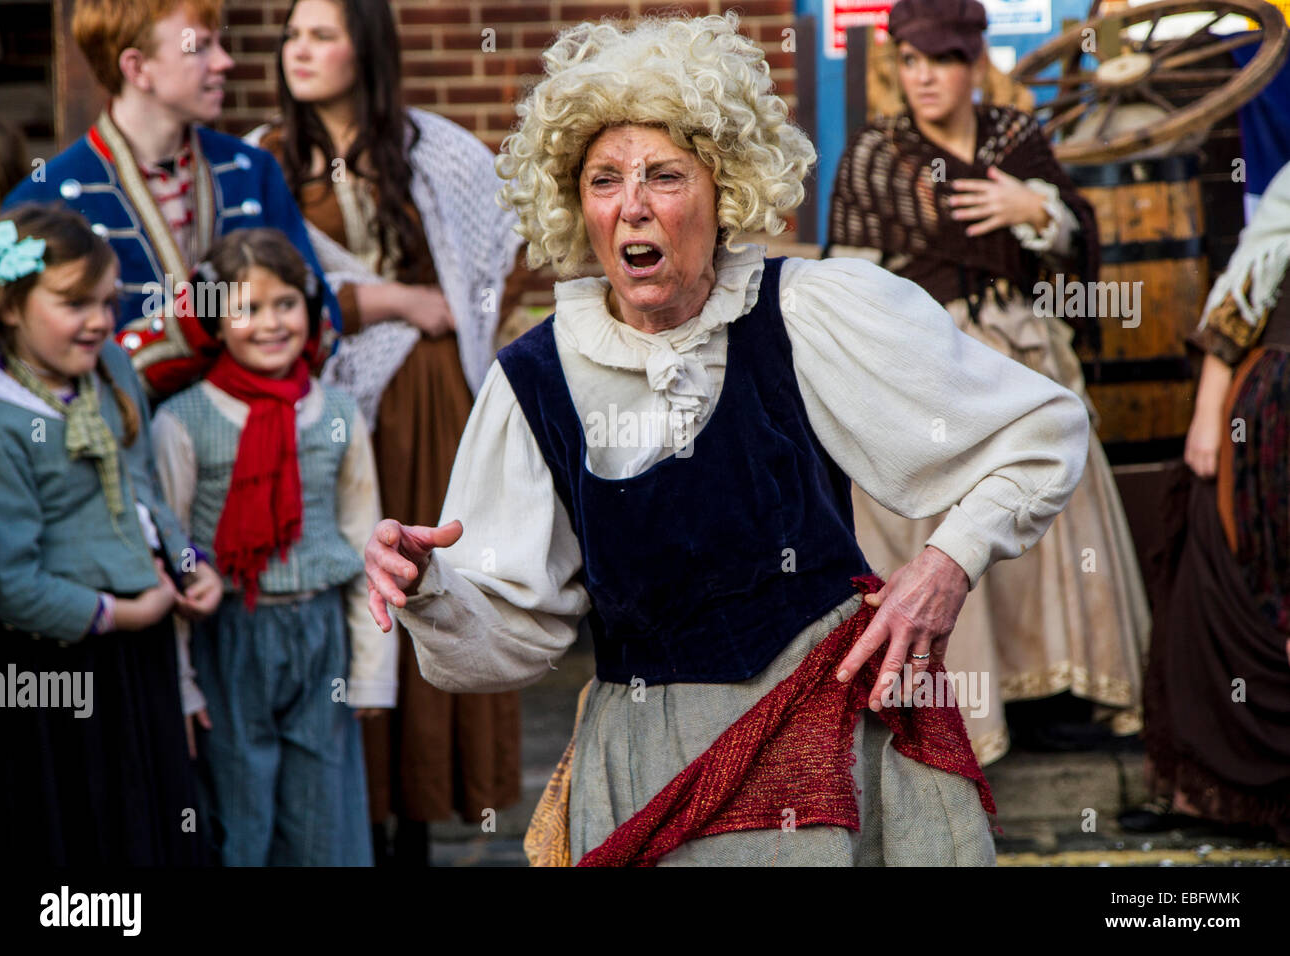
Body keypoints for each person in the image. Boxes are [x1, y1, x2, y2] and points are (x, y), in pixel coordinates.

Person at [363, 14, 1092, 867]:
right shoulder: (533, 380)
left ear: (724, 190)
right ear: (576, 204)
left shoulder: (808, 312)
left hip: (832, 740)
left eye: (665, 176)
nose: (632, 204)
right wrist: (431, 588)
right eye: (604, 180)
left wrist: (947, 564)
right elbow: (512, 636)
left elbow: (1041, 430)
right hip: (648, 768)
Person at [827, 0, 1149, 765]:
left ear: (974, 63)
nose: (924, 77)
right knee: (946, 517)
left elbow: (1074, 237)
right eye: (910, 61)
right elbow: (847, 279)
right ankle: (971, 706)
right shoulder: (878, 153)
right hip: (927, 360)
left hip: (1019, 350)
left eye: (940, 60)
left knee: (1051, 510)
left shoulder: (1014, 137)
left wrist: (1030, 205)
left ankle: (1053, 694)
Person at [248, 0, 527, 864]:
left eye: (322, 34)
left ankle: (426, 810)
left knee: (429, 591)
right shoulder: (266, 159)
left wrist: (463, 327)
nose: (301, 50)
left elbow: (505, 249)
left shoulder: (432, 149)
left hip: (432, 406)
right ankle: (357, 818)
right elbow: (263, 279)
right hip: (321, 409)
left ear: (364, 48)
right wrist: (393, 302)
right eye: (293, 34)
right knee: (352, 605)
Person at [149, 228, 395, 866]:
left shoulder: (337, 413)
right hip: (228, 637)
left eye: (285, 304)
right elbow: (171, 554)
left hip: (320, 637)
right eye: (246, 308)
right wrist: (183, 688)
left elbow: (364, 543)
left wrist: (370, 676)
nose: (269, 323)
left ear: (308, 309)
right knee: (239, 808)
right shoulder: (182, 421)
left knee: (324, 812)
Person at [0, 204, 222, 864]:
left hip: (136, 651)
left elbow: (145, 490)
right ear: (10, 306)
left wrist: (185, 564)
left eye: (107, 301)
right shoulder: (2, 417)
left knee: (141, 819)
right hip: (54, 664)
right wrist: (119, 613)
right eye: (72, 303)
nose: (98, 320)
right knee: (77, 825)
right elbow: (9, 582)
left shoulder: (113, 372)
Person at [0, 0, 340, 398]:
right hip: (124, 446)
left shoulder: (252, 169)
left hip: (261, 437)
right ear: (137, 68)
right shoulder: (46, 196)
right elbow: (24, 359)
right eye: (201, 48)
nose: (224, 62)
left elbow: (320, 313)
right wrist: (189, 329)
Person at [1122, 161, 1290, 841]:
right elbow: (1247, 288)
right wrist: (1208, 413)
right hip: (1270, 418)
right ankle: (1208, 798)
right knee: (1210, 581)